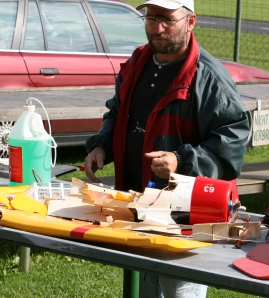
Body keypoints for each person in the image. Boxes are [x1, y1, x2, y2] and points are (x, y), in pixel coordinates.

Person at [84, 0, 250, 297]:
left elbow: (233, 140)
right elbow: (117, 113)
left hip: (186, 217)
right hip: (140, 205)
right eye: (151, 18)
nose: (158, 28)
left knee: (179, 289)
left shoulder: (208, 77)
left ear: (191, 21)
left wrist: (181, 160)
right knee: (145, 287)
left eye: (167, 20)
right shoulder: (137, 62)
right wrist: (102, 147)